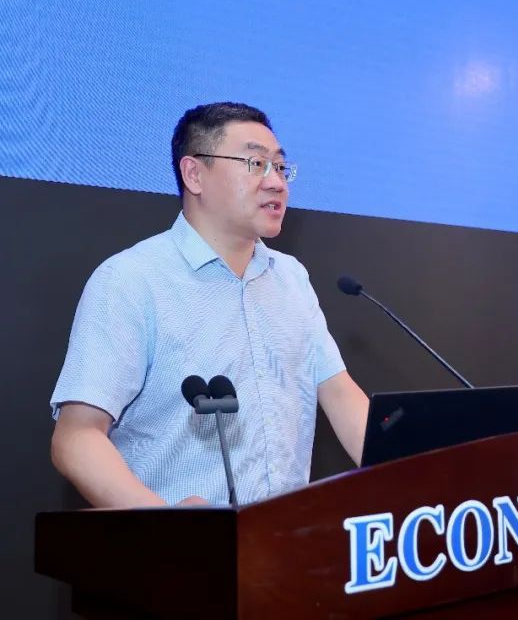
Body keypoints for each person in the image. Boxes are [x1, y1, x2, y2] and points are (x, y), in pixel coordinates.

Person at [49, 102, 369, 507]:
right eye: (256, 164)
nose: (276, 183)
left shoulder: (291, 278)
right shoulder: (132, 279)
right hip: (175, 544)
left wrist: (418, 481)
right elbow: (77, 436)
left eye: (280, 167)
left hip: (285, 537)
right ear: (194, 174)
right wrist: (168, 525)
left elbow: (340, 395)